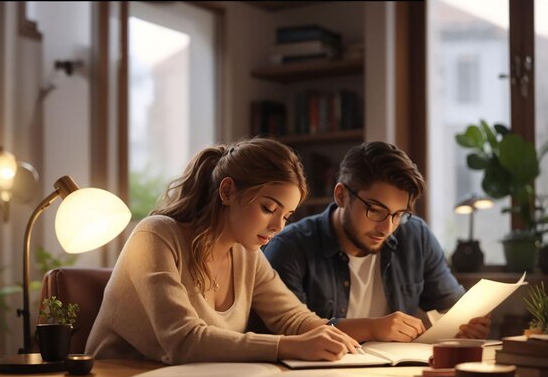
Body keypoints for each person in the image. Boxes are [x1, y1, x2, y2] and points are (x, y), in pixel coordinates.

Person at [85, 137, 361, 364]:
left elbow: (292, 317)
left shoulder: (247, 254)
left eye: (286, 216)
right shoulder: (155, 234)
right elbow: (182, 341)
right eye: (268, 209)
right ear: (228, 191)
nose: (278, 226)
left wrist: (342, 337)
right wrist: (288, 346)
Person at [262, 141, 491, 343]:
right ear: (341, 195)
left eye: (398, 214)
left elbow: (451, 306)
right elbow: (286, 334)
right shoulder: (290, 247)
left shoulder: (415, 236)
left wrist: (467, 324)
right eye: (375, 210)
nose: (387, 228)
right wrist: (373, 329)